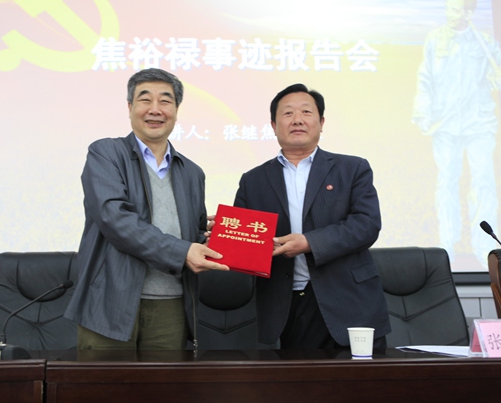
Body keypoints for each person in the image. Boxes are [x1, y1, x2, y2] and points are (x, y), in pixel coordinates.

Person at [65, 68, 228, 351]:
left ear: (176, 110)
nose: (155, 109)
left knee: (163, 381)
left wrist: (212, 238)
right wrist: (182, 251)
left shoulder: (192, 172)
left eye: (165, 101)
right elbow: (114, 218)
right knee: (103, 380)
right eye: (145, 100)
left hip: (171, 306)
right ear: (130, 107)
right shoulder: (106, 153)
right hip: (110, 302)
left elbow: (190, 235)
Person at [231, 83, 391, 349]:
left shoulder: (352, 168)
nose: (297, 120)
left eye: (306, 112)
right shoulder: (253, 180)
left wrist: (309, 243)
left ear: (321, 122)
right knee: (297, 377)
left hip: (350, 302)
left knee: (361, 377)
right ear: (273, 126)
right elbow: (245, 247)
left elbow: (366, 225)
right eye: (288, 113)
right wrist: (226, 237)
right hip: (286, 306)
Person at [412, 0, 501, 268]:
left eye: (457, 9)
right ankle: (447, 245)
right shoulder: (435, 39)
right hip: (445, 123)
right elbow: (425, 78)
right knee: (447, 181)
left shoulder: (485, 42)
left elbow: (497, 76)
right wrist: (422, 112)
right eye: (448, 8)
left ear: (469, 12)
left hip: (479, 122)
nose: (451, 14)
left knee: (483, 181)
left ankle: (486, 248)